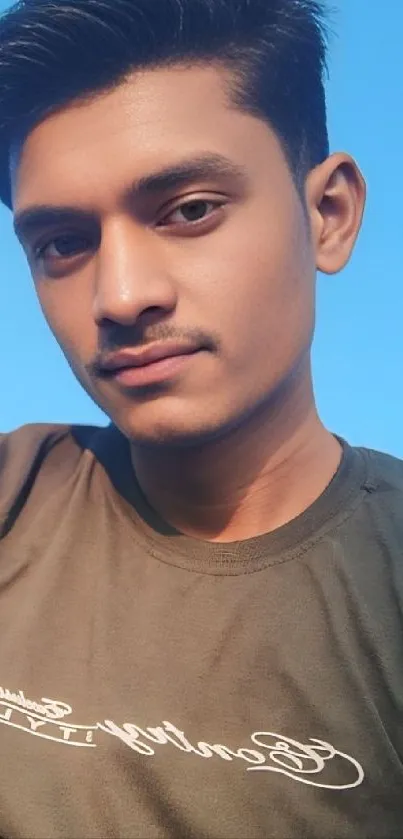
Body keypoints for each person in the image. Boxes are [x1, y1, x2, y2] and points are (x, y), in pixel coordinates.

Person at [0, 0, 402, 836]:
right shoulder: (14, 499)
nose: (119, 295)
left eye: (189, 210)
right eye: (61, 244)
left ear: (328, 214)